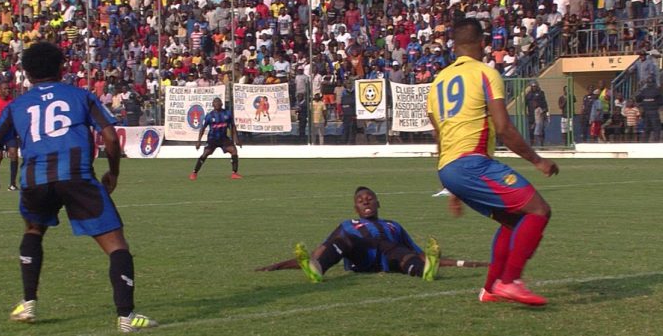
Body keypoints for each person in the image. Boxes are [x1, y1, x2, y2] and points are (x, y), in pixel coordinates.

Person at [0, 42, 157, 333]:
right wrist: (113, 172)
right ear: (62, 67)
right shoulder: (81, 96)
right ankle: (127, 316)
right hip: (76, 177)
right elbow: (109, 136)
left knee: (33, 231)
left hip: (34, 179)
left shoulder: (16, 106)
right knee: (116, 245)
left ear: (27, 74)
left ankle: (28, 303)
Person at [427, 18, 559, 306]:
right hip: (473, 163)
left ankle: (489, 289)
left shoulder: (437, 82)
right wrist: (537, 161)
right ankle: (509, 281)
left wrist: (450, 188)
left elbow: (441, 136)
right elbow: (503, 128)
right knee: (538, 210)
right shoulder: (485, 73)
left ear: (454, 45)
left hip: (448, 168)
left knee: (513, 221)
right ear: (483, 43)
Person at [257, 186, 487, 282]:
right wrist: (277, 265)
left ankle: (423, 274)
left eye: (369, 198)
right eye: (360, 200)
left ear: (379, 202)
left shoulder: (393, 225)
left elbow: (419, 254)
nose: (365, 200)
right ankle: (318, 272)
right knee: (343, 240)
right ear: (355, 208)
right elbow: (317, 253)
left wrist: (465, 263)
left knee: (403, 253)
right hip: (360, 260)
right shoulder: (348, 225)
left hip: (390, 259)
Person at [190, 97, 242, 180]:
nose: (217, 104)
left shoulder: (227, 114)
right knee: (206, 153)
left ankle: (234, 173)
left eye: (218, 103)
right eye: (215, 103)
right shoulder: (209, 116)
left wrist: (236, 139)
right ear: (213, 105)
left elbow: (232, 126)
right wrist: (198, 141)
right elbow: (203, 128)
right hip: (212, 139)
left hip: (224, 138)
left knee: (233, 150)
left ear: (221, 104)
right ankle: (194, 173)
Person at [635, 77, 663, 143]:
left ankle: (645, 142)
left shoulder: (643, 91)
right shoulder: (657, 91)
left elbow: (637, 99)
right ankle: (656, 142)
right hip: (653, 111)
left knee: (646, 128)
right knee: (656, 128)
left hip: (646, 112)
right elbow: (661, 102)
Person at [525, 82, 548, 146]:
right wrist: (525, 112)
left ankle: (542, 144)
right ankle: (532, 144)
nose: (534, 87)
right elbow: (525, 104)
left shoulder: (541, 93)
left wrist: (545, 111)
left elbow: (544, 103)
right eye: (532, 86)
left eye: (535, 86)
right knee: (531, 129)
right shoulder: (528, 94)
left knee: (540, 129)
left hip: (539, 113)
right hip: (531, 114)